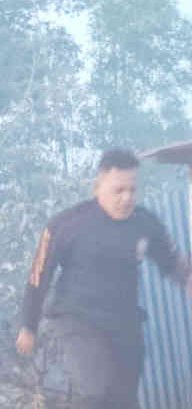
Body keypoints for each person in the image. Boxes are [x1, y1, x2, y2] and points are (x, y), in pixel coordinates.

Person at [16, 148, 192, 409]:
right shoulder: (65, 225)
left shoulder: (145, 223)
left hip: (125, 324)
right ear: (97, 188)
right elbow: (38, 276)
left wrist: (186, 278)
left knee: (124, 400)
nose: (126, 198)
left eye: (132, 190)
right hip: (78, 322)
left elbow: (170, 261)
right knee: (97, 390)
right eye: (118, 190)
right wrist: (28, 325)